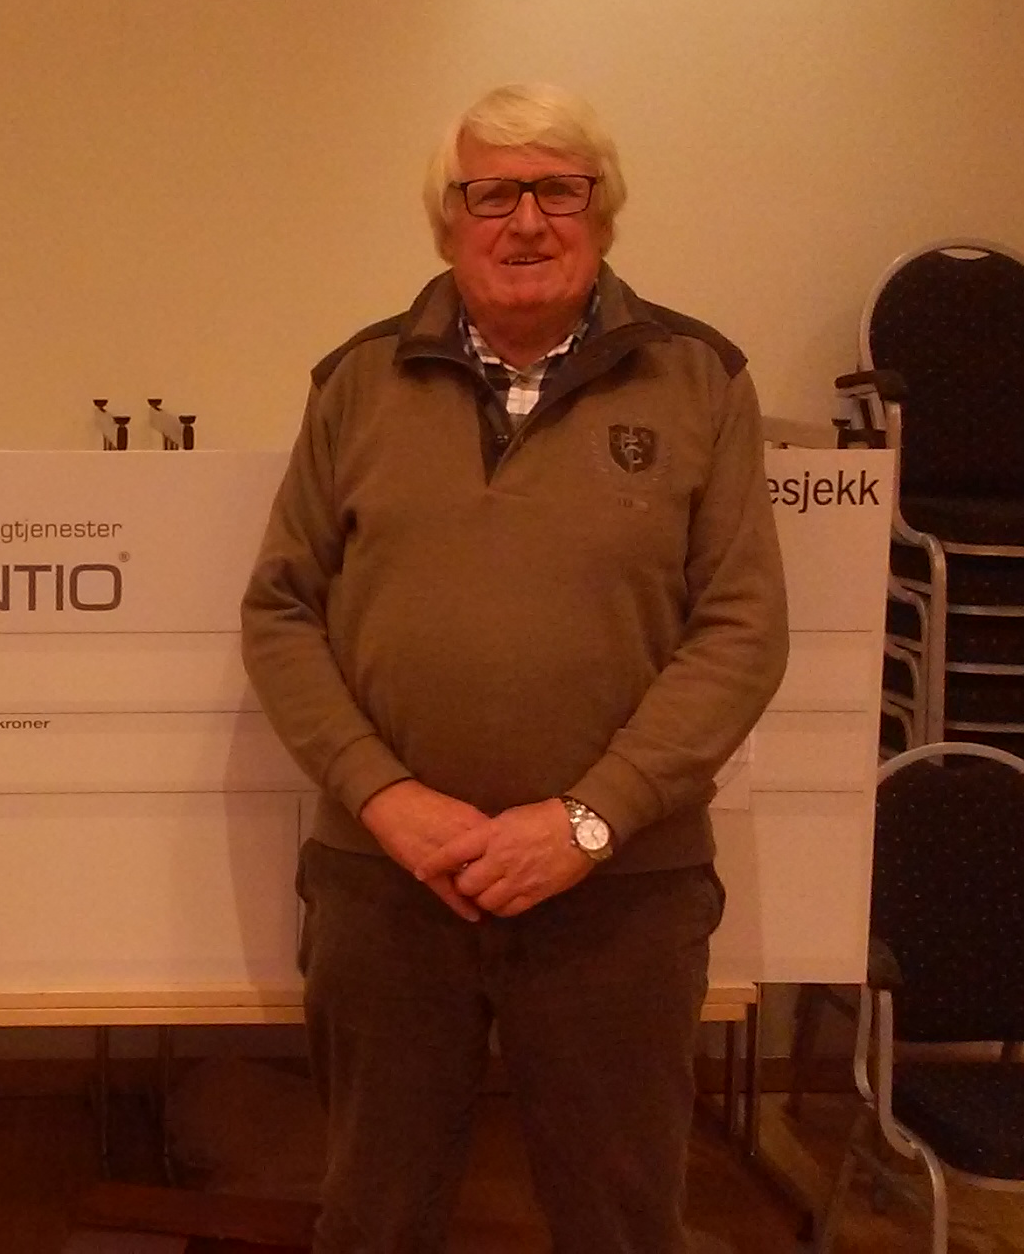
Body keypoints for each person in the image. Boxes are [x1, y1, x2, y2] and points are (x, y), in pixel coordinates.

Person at [241, 85, 789, 1253]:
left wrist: (588, 821)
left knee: (621, 1222)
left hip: (620, 894)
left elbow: (739, 628)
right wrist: (387, 801)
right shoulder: (355, 383)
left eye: (557, 191)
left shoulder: (699, 380)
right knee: (371, 1218)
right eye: (491, 193)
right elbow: (280, 613)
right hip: (388, 890)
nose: (526, 220)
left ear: (603, 212)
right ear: (447, 221)